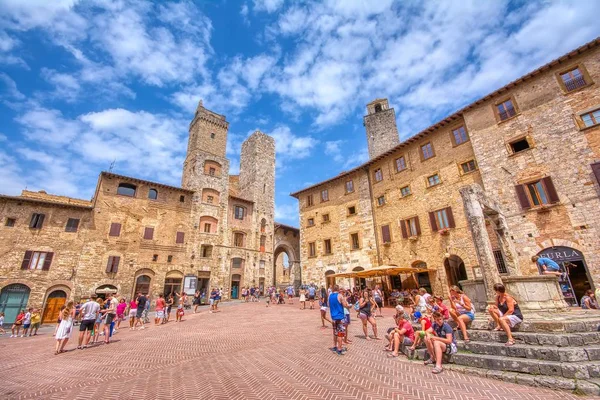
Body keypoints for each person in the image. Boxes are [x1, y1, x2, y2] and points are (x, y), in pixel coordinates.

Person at [329, 285, 351, 355]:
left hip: (333, 317)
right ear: (338, 289)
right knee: (340, 334)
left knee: (335, 333)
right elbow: (344, 304)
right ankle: (339, 349)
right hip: (340, 317)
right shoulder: (340, 296)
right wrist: (349, 306)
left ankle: (335, 346)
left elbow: (328, 305)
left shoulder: (330, 296)